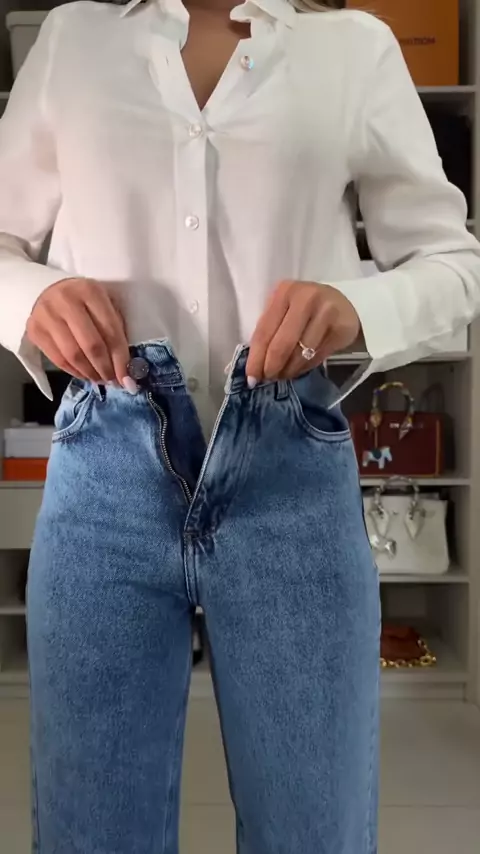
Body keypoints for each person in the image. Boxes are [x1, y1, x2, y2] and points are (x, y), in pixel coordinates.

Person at [0, 0, 479, 851]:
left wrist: (356, 307)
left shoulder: (352, 49)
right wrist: (33, 296)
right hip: (106, 474)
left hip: (289, 476)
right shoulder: (74, 38)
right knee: (91, 835)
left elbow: (453, 262)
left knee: (314, 833)